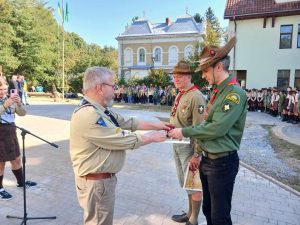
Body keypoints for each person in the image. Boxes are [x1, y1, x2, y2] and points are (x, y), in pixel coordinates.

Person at [69, 66, 170, 225]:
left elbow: (128, 122)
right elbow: (121, 139)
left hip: (99, 182)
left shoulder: (100, 110)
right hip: (96, 184)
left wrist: (158, 125)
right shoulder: (89, 114)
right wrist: (154, 137)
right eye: (113, 86)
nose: (116, 90)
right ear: (100, 88)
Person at [168, 36, 247, 225]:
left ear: (218, 66)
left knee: (220, 216)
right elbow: (205, 124)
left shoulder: (234, 94)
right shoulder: (218, 91)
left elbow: (216, 128)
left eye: (205, 70)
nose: (203, 75)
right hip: (209, 161)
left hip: (222, 163)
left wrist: (184, 132)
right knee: (209, 210)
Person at [169, 61, 206, 225]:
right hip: (177, 144)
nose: (175, 79)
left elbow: (200, 128)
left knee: (194, 184)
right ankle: (190, 212)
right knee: (186, 182)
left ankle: (194, 219)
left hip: (190, 148)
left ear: (189, 76)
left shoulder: (196, 96)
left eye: (179, 76)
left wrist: (197, 155)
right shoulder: (181, 94)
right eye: (174, 76)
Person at [0, 77, 37, 200]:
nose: (3, 92)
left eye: (5, 89)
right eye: (0, 89)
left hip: (11, 130)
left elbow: (22, 113)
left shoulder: (9, 99)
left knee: (16, 158)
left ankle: (21, 182)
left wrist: (19, 103)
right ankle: (0, 188)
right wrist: (6, 104)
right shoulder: (6, 101)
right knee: (1, 162)